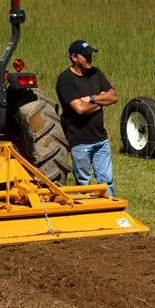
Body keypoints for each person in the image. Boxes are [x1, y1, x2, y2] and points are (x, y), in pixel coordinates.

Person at [56, 39, 118, 196]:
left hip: (101, 139)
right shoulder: (65, 79)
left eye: (90, 54)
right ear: (74, 57)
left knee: (107, 182)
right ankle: (87, 214)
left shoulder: (96, 73)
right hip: (80, 142)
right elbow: (79, 109)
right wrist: (102, 100)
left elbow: (113, 96)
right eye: (85, 56)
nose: (89, 58)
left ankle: (109, 211)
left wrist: (91, 98)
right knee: (84, 184)